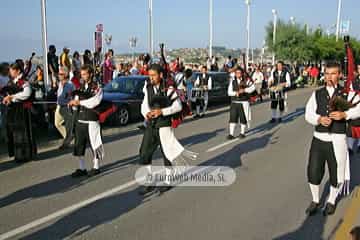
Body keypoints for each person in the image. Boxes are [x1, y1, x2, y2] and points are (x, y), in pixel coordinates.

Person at [304, 62, 360, 216]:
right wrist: (319, 119)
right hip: (319, 139)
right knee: (313, 171)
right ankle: (315, 200)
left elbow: (358, 109)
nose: (329, 77)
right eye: (327, 73)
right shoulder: (317, 94)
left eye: (333, 73)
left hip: (338, 140)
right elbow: (308, 113)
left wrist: (345, 115)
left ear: (340, 75)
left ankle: (331, 200)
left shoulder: (346, 93)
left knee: (337, 174)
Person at [138, 64, 197, 195]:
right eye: (149, 75)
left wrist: (162, 112)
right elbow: (144, 104)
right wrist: (146, 113)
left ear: (160, 75)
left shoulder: (169, 89)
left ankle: (168, 180)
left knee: (167, 153)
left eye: (153, 75)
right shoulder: (147, 87)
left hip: (164, 124)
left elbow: (178, 106)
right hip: (151, 124)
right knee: (144, 152)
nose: (151, 78)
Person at [68, 65, 104, 178]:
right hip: (80, 118)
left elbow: (95, 101)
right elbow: (77, 99)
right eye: (81, 74)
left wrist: (80, 103)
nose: (82, 76)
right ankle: (82, 167)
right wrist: (73, 104)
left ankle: (96, 166)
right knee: (79, 145)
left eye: (84, 74)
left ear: (90, 74)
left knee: (94, 143)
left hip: (91, 119)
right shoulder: (81, 86)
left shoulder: (96, 86)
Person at [1, 62, 37, 163]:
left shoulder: (23, 81)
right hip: (15, 110)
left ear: (17, 71)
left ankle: (26, 154)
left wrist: (12, 97)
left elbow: (27, 93)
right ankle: (19, 155)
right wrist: (7, 99)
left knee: (23, 133)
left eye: (12, 71)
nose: (10, 72)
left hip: (23, 110)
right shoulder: (12, 82)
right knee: (16, 134)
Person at [227, 67, 255, 139]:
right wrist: (235, 93)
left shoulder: (247, 81)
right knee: (233, 118)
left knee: (243, 118)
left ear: (242, 73)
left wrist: (244, 90)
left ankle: (242, 133)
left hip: (244, 102)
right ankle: (231, 134)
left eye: (239, 73)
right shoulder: (232, 81)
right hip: (234, 102)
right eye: (236, 73)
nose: (238, 74)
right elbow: (229, 92)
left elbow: (253, 88)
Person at [54, 66, 75, 149]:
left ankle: (67, 141)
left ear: (65, 74)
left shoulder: (70, 85)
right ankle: (68, 137)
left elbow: (71, 96)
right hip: (59, 105)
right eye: (58, 74)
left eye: (61, 74)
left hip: (66, 106)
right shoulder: (60, 83)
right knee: (57, 123)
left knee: (68, 125)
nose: (59, 75)